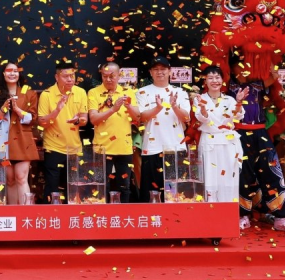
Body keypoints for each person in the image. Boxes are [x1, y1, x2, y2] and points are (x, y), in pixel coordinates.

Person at [230, 62, 285, 231]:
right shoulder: (227, 87)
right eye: (239, 65)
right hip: (239, 134)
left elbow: (274, 76)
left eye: (246, 65)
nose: (243, 69)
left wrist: (268, 59)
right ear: (231, 68)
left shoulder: (258, 84)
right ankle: (242, 216)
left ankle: (281, 218)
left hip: (260, 133)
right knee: (242, 174)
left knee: (272, 171)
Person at [136, 58, 191, 203]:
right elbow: (141, 117)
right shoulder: (142, 92)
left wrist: (174, 106)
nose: (159, 72)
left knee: (174, 193)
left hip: (175, 147)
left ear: (170, 71)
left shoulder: (180, 92)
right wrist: (158, 108)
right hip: (152, 148)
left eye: (163, 69)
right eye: (156, 69)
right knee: (151, 194)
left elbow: (186, 117)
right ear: (150, 72)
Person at [0, 61, 39, 205]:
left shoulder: (29, 93)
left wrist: (17, 110)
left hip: (23, 142)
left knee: (21, 177)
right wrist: (3, 109)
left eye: (15, 71)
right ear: (3, 73)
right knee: (9, 180)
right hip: (3, 143)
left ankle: (25, 213)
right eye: (9, 70)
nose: (12, 73)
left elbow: (33, 118)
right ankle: (12, 212)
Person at [37, 61, 89, 202]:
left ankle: (72, 214)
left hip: (74, 148)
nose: (70, 79)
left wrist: (77, 121)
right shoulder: (47, 94)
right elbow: (42, 122)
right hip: (53, 148)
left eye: (72, 76)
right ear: (57, 77)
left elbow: (84, 119)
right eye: (66, 76)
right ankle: (51, 213)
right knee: (52, 188)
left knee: (73, 189)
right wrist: (57, 110)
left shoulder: (81, 92)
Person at [87, 62, 138, 203]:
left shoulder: (128, 92)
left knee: (124, 186)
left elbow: (137, 118)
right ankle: (101, 213)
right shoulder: (93, 92)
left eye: (112, 76)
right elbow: (93, 119)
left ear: (119, 75)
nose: (108, 79)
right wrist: (113, 109)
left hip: (124, 147)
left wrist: (129, 107)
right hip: (102, 147)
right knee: (102, 186)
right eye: (105, 76)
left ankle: (123, 213)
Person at [193, 65, 243, 207]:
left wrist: (239, 102)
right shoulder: (200, 98)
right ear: (205, 81)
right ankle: (211, 210)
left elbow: (237, 116)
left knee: (229, 178)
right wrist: (203, 108)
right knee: (210, 177)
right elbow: (203, 119)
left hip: (228, 143)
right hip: (209, 142)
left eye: (217, 77)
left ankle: (229, 210)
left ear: (222, 80)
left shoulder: (230, 100)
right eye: (210, 78)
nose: (214, 81)